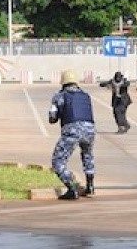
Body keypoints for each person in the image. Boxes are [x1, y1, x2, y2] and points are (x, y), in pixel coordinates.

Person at [49, 69, 96, 200]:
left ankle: (71, 188)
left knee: (58, 161)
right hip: (90, 130)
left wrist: (56, 110)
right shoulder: (85, 95)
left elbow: (52, 118)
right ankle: (90, 186)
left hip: (72, 131)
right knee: (88, 156)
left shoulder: (59, 96)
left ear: (63, 83)